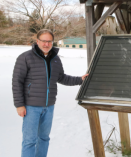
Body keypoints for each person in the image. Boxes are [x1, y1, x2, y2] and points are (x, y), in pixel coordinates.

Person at [12, 29, 88, 157]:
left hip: (49, 106)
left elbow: (61, 77)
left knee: (44, 139)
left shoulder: (55, 58)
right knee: (29, 141)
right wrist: (19, 105)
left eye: (49, 41)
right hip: (31, 106)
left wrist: (80, 80)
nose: (46, 44)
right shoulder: (25, 57)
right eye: (43, 41)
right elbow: (17, 82)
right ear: (37, 41)